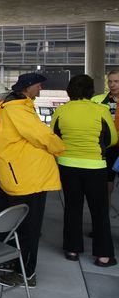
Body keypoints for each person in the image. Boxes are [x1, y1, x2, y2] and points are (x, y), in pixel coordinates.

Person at [0, 74, 64, 288]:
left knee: (28, 228)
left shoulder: (14, 110)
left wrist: (60, 149)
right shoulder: (0, 113)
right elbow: (2, 149)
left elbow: (42, 135)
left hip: (30, 178)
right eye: (39, 85)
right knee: (2, 211)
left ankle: (26, 273)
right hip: (13, 177)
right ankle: (11, 258)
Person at [52, 74, 117, 266]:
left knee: (72, 207)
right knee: (99, 210)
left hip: (67, 164)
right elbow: (112, 138)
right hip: (95, 166)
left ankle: (72, 249)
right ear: (91, 91)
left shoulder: (61, 111)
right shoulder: (101, 110)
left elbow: (53, 135)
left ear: (69, 90)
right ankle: (103, 255)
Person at [91, 70, 119, 207]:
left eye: (116, 81)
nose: (113, 85)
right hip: (107, 148)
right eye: (110, 81)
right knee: (106, 185)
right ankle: (104, 223)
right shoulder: (97, 100)